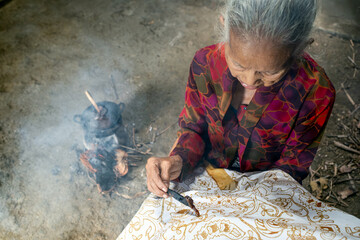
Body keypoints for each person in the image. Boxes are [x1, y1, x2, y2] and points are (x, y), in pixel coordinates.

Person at [146, 0, 335, 199]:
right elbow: (194, 128)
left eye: (269, 71)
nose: (250, 80)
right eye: (238, 64)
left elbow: (290, 169)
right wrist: (178, 160)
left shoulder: (315, 92)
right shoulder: (205, 64)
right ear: (224, 27)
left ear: (300, 48)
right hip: (208, 171)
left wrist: (246, 207)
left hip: (266, 192)